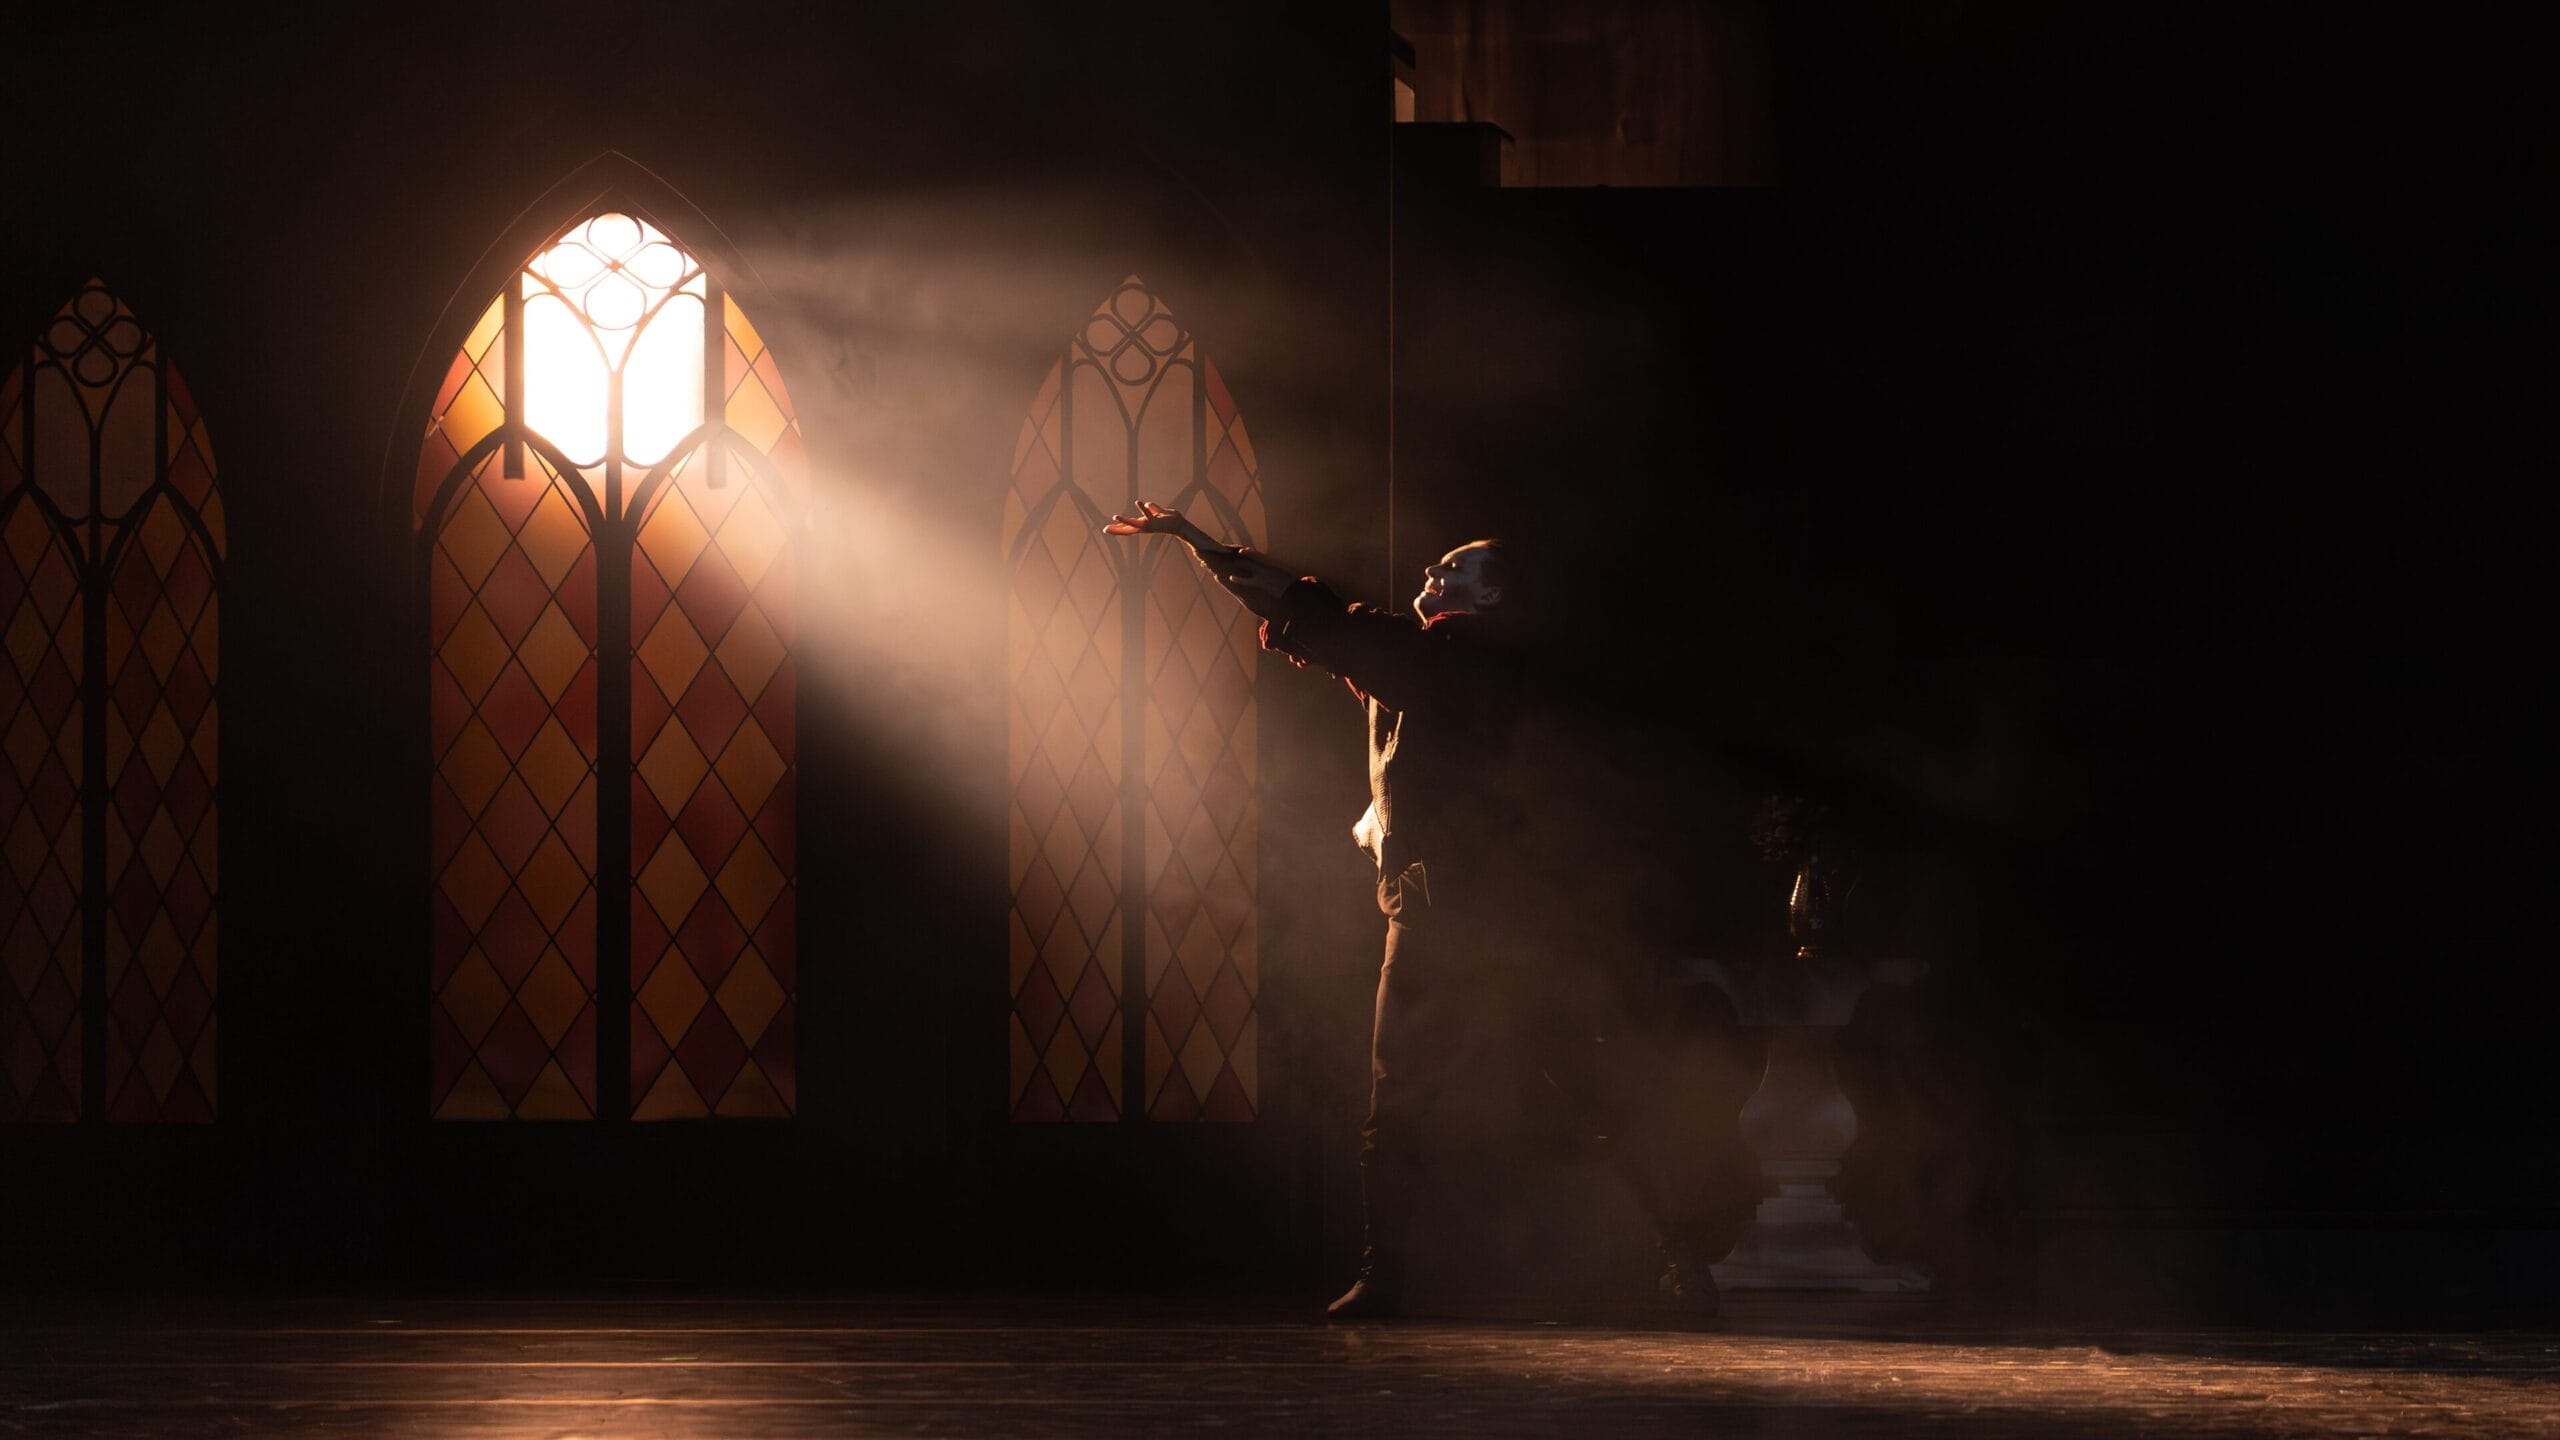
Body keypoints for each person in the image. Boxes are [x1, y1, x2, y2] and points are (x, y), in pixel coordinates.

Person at [1104, 500, 1540, 1319]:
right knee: (1403, 1091)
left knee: (1525, 1079)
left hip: (1488, 917)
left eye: (1451, 571)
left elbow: (1319, 615)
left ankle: (1664, 1247)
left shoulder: (1468, 662)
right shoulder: (1424, 662)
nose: (1428, 575)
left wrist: (1199, 543)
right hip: (1429, 911)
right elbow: (1330, 625)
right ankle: (1390, 1275)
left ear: (1486, 600)